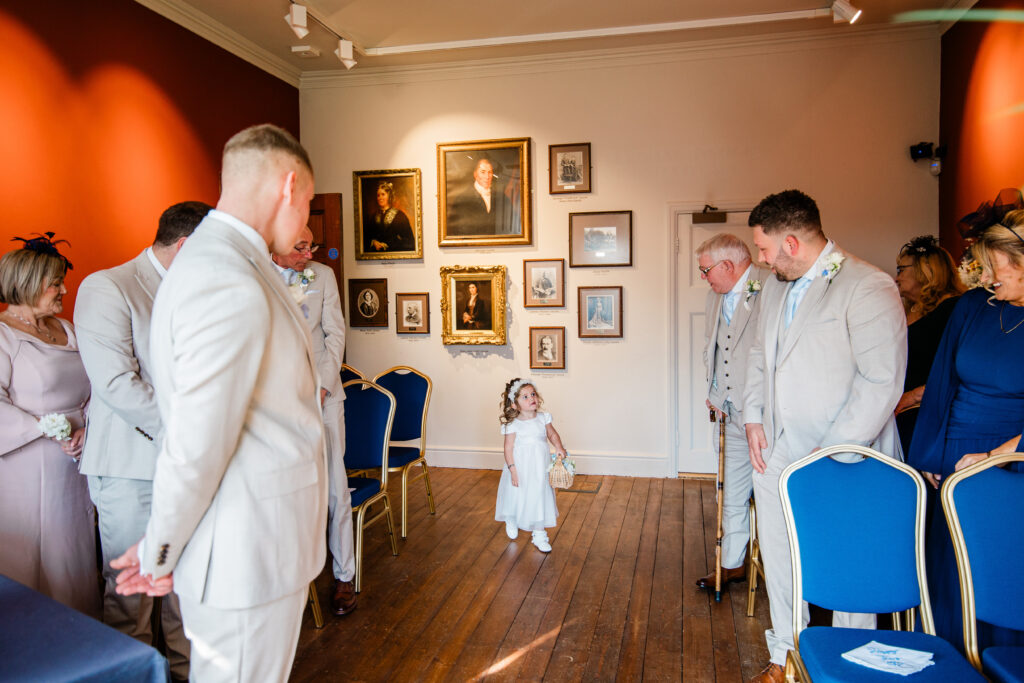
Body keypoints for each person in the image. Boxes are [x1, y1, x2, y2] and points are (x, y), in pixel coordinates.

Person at [111, 124, 328, 683]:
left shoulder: (227, 261)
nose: (305, 220)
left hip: (255, 546)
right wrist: (161, 548)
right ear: (288, 186)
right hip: (246, 554)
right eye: (307, 201)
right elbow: (196, 440)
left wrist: (163, 539)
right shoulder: (223, 275)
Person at [742, 190, 906, 683]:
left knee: (847, 561)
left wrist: (834, 450)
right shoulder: (773, 288)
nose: (761, 260)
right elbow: (758, 356)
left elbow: (881, 380)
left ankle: (848, 664)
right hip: (776, 447)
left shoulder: (867, 285)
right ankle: (784, 656)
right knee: (779, 553)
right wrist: (753, 417)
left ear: (791, 242)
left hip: (845, 454)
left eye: (764, 249)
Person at [75, 201, 209, 678]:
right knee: (132, 593)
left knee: (184, 586)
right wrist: (190, 433)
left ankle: (187, 673)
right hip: (131, 466)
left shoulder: (196, 290)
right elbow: (117, 384)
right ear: (186, 245)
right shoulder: (109, 287)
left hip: (188, 468)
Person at [908, 190, 1024, 653]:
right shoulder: (973, 306)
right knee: (949, 572)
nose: (987, 276)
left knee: (999, 574)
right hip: (955, 458)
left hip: (1012, 464)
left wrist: (998, 456)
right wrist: (931, 454)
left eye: (997, 266)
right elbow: (941, 383)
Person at [0, 233, 99, 617]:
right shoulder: (4, 336)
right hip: (23, 466)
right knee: (32, 557)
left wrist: (88, 427)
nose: (64, 290)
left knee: (73, 552)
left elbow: (95, 389)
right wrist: (45, 427)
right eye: (56, 283)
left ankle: (81, 631)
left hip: (76, 462)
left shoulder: (69, 330)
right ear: (28, 284)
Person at [272, 227, 356, 617]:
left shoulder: (322, 276)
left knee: (336, 487)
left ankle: (344, 576)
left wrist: (322, 385)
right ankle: (289, 579)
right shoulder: (255, 273)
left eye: (312, 246)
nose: (309, 254)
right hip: (277, 403)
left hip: (324, 398)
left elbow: (335, 334)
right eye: (300, 247)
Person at [694, 233, 769, 592]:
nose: (703, 277)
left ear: (727, 265)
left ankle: (779, 569)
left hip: (765, 416)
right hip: (726, 412)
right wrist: (714, 391)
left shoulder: (772, 286)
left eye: (706, 270)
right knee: (728, 492)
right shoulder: (714, 297)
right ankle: (731, 565)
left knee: (770, 494)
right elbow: (712, 347)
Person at [892, 235, 965, 455]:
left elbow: (958, 367)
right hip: (900, 409)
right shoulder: (908, 310)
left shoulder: (955, 309)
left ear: (925, 270)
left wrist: (913, 396)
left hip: (927, 411)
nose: (896, 278)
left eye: (901, 270)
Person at [495, 378, 567, 553]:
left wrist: (558, 447)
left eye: (533, 394)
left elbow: (552, 435)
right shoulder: (513, 425)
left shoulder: (543, 418)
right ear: (515, 405)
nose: (531, 398)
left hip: (540, 469)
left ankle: (539, 534)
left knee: (539, 497)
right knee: (517, 495)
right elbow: (508, 448)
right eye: (525, 397)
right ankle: (511, 517)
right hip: (520, 468)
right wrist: (513, 470)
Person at [447, 158, 518, 236]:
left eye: (490, 172)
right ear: (475, 174)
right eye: (483, 172)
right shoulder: (461, 199)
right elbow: (457, 230)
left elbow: (512, 222)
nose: (487, 176)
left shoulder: (501, 197)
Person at [364, 180, 413, 253]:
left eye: (383, 194)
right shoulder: (374, 216)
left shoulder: (400, 215)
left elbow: (410, 241)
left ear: (389, 196)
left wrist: (389, 245)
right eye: (378, 195)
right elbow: (366, 237)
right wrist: (373, 242)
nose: (380, 198)